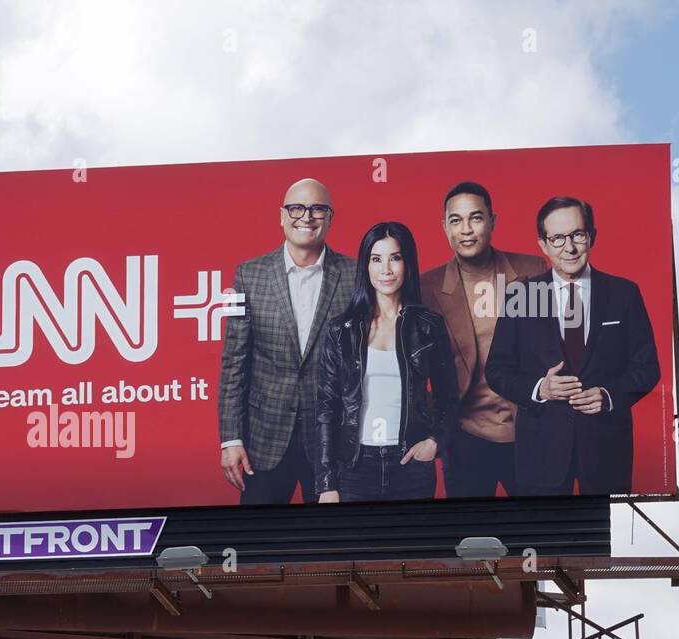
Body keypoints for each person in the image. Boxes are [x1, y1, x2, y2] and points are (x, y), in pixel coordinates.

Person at [486, 196, 660, 495]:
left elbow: (647, 368)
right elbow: (497, 370)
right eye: (557, 238)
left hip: (606, 447)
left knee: (598, 540)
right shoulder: (522, 295)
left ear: (591, 236)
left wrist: (608, 395)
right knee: (543, 541)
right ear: (543, 245)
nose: (569, 247)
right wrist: (540, 388)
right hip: (541, 450)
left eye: (577, 235)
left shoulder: (624, 293)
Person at [218, 178, 355, 504]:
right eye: (297, 208)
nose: (306, 217)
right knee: (257, 549)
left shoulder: (355, 275)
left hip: (330, 442)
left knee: (331, 548)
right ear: (282, 215)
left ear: (330, 218)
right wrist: (230, 439)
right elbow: (234, 361)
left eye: (317, 209)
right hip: (263, 440)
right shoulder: (249, 275)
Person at [315, 222, 458, 502]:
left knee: (410, 547)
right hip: (354, 467)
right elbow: (326, 409)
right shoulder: (341, 330)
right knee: (356, 547)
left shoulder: (429, 326)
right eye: (376, 259)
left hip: (410, 466)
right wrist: (326, 482)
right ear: (366, 266)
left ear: (408, 263)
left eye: (395, 258)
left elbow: (449, 398)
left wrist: (434, 442)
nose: (386, 270)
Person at [420, 182, 545, 498]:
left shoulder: (533, 271)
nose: (466, 230)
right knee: (471, 543)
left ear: (492, 221)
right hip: (465, 437)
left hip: (531, 430)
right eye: (455, 220)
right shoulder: (427, 288)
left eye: (475, 218)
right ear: (445, 226)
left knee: (543, 537)